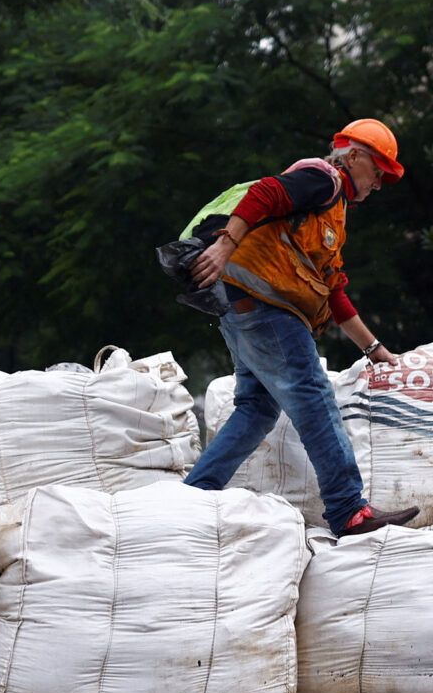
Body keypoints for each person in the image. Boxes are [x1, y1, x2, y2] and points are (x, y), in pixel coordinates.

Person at [179, 118, 419, 537]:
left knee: (257, 408)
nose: (379, 184)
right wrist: (223, 245)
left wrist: (374, 349)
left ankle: (195, 494)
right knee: (313, 395)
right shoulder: (323, 181)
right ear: (355, 156)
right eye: (378, 171)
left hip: (242, 310)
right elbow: (265, 192)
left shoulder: (333, 210)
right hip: (268, 312)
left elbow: (333, 289)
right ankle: (348, 508)